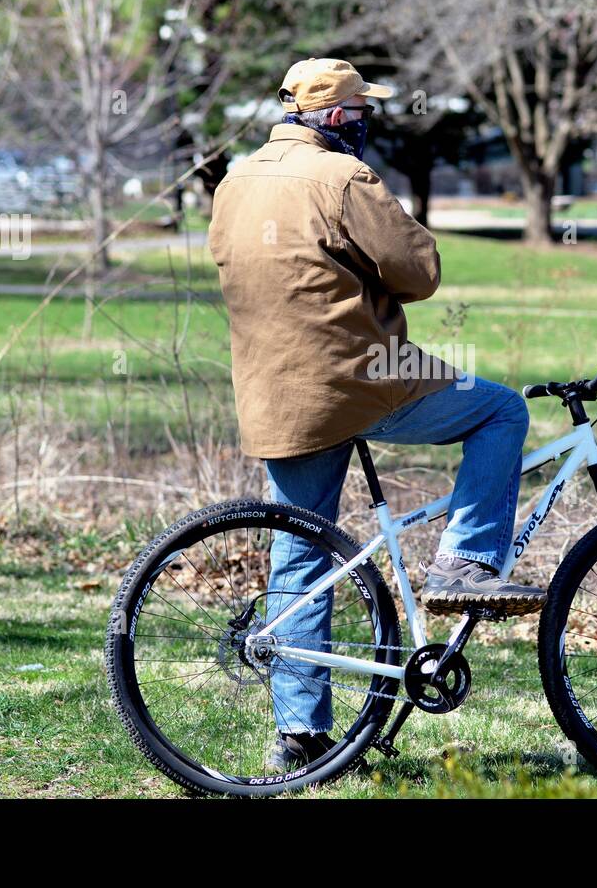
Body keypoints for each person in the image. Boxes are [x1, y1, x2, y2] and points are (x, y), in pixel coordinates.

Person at [207, 58, 543, 771]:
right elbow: (420, 273)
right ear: (334, 118)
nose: (368, 122)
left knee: (301, 551)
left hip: (275, 392)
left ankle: (300, 741)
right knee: (502, 412)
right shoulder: (343, 179)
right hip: (362, 379)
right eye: (362, 112)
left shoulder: (236, 182)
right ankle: (466, 562)